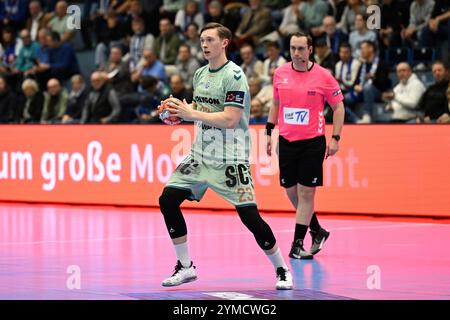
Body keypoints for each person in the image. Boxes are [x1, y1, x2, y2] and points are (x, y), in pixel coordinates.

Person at [158, 23, 293, 290]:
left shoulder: (234, 76)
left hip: (230, 157)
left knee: (249, 217)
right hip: (201, 153)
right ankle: (185, 267)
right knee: (168, 199)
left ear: (224, 43)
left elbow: (230, 119)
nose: (204, 44)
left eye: (209, 40)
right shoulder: (199, 74)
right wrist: (178, 110)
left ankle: (282, 269)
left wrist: (190, 114)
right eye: (201, 40)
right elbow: (201, 106)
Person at [266, 32, 345, 259]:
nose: (297, 53)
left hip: (312, 142)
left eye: (301, 48)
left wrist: (335, 138)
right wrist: (269, 132)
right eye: (293, 48)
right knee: (291, 191)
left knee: (306, 193)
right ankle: (317, 230)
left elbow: (339, 108)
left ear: (310, 50)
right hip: (287, 141)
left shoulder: (324, 76)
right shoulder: (280, 73)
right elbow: (275, 102)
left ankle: (297, 244)